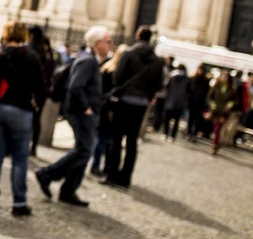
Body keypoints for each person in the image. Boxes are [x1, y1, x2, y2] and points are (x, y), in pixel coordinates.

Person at [36, 26, 113, 207]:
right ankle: (47, 174)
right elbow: (75, 86)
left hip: (84, 112)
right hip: (80, 112)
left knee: (84, 151)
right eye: (108, 41)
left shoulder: (91, 60)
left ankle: (68, 190)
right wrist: (86, 108)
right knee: (84, 150)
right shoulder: (88, 61)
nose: (111, 45)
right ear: (97, 43)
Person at [0, 21, 45, 216]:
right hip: (20, 109)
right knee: (19, 157)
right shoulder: (31, 57)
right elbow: (40, 86)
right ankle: (19, 202)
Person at [100, 27, 164, 189]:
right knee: (132, 141)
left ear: (137, 36)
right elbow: (158, 84)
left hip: (125, 100)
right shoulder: (156, 60)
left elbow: (118, 76)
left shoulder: (129, 53)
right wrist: (147, 94)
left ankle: (112, 175)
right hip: (141, 103)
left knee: (117, 138)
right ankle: (125, 177)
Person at [91, 44, 125, 176]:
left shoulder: (106, 67)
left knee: (101, 138)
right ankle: (103, 166)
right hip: (110, 109)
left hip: (103, 108)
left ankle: (97, 165)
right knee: (105, 139)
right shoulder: (116, 71)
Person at [27, 25, 55, 157]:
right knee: (37, 119)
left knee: (28, 117)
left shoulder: (32, 51)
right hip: (42, 92)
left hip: (32, 89)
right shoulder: (48, 55)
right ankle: (34, 147)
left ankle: (25, 144)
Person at [207, 70, 237, 155]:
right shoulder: (216, 86)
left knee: (218, 128)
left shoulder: (231, 89)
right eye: (222, 76)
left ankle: (214, 145)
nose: (224, 77)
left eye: (226, 76)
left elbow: (235, 100)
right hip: (215, 110)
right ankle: (216, 143)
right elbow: (210, 97)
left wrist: (231, 104)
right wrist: (212, 104)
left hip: (224, 112)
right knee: (216, 129)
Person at [163, 64, 190, 141]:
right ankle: (172, 136)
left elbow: (166, 86)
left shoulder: (172, 77)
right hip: (180, 103)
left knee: (167, 119)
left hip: (170, 101)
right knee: (176, 120)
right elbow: (189, 91)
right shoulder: (187, 79)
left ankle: (165, 133)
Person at [186, 65, 211, 142]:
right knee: (191, 118)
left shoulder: (205, 81)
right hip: (192, 101)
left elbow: (207, 93)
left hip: (200, 103)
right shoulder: (192, 79)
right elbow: (188, 89)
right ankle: (189, 132)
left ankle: (194, 133)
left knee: (198, 119)